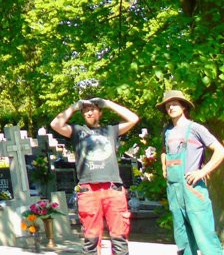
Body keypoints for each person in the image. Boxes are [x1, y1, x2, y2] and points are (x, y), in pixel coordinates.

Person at [51, 96, 140, 255]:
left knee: (119, 237)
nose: (89, 113)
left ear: (100, 112)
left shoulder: (110, 131)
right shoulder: (78, 131)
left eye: (92, 109)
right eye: (85, 111)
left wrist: (108, 103)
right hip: (89, 190)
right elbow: (55, 124)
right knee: (91, 239)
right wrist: (73, 106)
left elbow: (134, 118)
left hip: (112, 188)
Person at [158, 89, 224, 255]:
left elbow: (220, 150)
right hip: (174, 190)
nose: (171, 108)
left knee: (204, 236)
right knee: (183, 239)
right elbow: (164, 150)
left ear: (183, 107)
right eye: (168, 106)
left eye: (174, 104)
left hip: (193, 189)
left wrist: (203, 172)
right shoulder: (167, 132)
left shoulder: (195, 128)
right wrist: (164, 165)